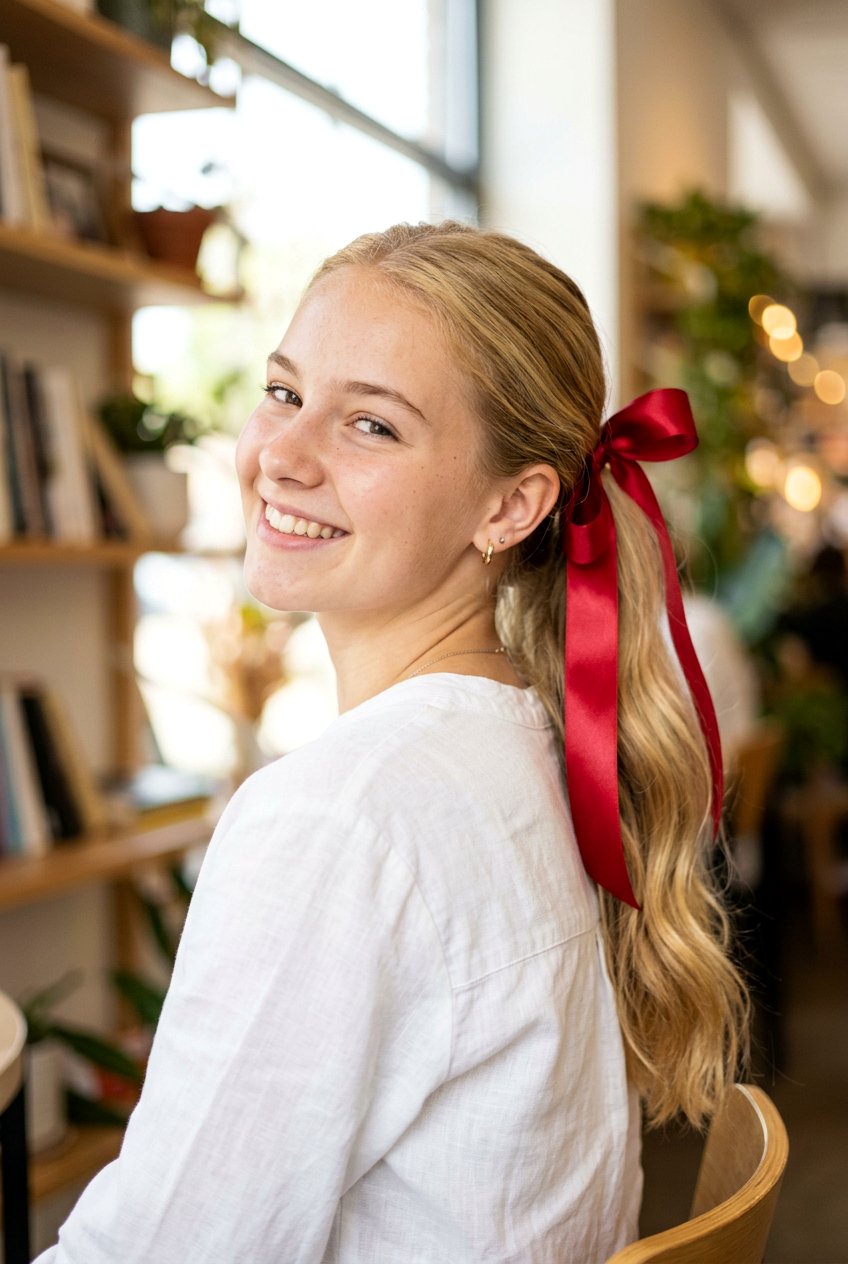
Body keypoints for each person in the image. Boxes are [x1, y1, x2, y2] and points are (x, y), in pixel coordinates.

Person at [35, 223, 747, 1263]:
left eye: (369, 425)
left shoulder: (340, 818)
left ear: (510, 506)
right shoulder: (544, 754)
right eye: (284, 392)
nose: (281, 453)